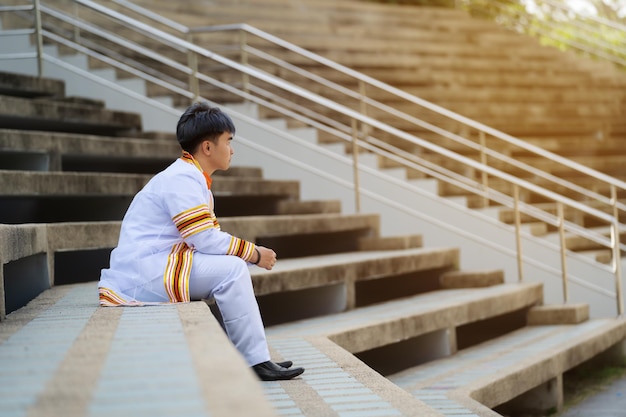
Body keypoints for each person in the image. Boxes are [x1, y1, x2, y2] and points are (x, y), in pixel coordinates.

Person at [98, 101, 304, 381]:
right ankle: (257, 361)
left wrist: (246, 255)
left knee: (233, 266)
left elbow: (203, 239)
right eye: (228, 141)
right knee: (233, 269)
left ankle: (257, 357)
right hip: (145, 272)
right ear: (208, 147)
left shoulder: (191, 175)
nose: (232, 150)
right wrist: (254, 253)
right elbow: (204, 239)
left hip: (157, 265)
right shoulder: (182, 178)